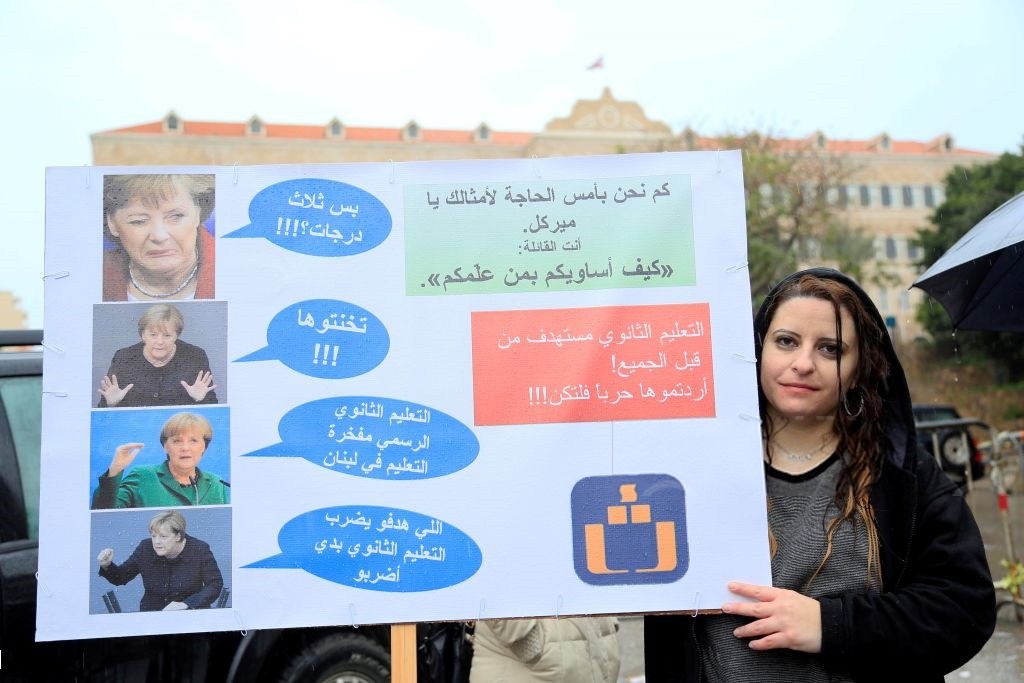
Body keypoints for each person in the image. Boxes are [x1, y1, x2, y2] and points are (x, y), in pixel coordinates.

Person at [644, 267, 996, 682]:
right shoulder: (693, 472)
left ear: (860, 366)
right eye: (786, 342)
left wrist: (830, 624)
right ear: (757, 349)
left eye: (830, 349)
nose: (804, 364)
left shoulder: (902, 475)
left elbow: (962, 610)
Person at [103, 173, 216, 301]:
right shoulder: (93, 275)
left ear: (198, 214)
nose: (159, 236)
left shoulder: (232, 268)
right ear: (112, 223)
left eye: (176, 216)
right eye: (139, 221)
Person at [91, 412, 229, 509]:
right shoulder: (143, 476)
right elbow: (103, 512)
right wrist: (115, 469)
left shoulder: (217, 484)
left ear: (204, 447)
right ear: (165, 447)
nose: (185, 448)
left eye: (193, 441)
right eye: (177, 441)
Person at [96, 509, 224, 611]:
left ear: (178, 536)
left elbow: (214, 585)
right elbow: (121, 577)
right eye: (153, 536)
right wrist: (107, 565)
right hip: (152, 617)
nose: (157, 542)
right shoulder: (145, 548)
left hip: (190, 616)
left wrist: (186, 604)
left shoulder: (199, 549)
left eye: (163, 536)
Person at [97, 303, 218, 408]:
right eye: (153, 335)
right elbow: (101, 415)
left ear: (176, 335)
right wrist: (110, 404)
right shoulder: (124, 358)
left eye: (167, 335)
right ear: (143, 335)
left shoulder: (195, 356)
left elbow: (213, 409)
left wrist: (201, 400)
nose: (160, 342)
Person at [470, 616, 620, 683]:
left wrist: (607, 622)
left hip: (586, 660)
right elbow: (492, 571)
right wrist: (528, 641)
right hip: (530, 668)